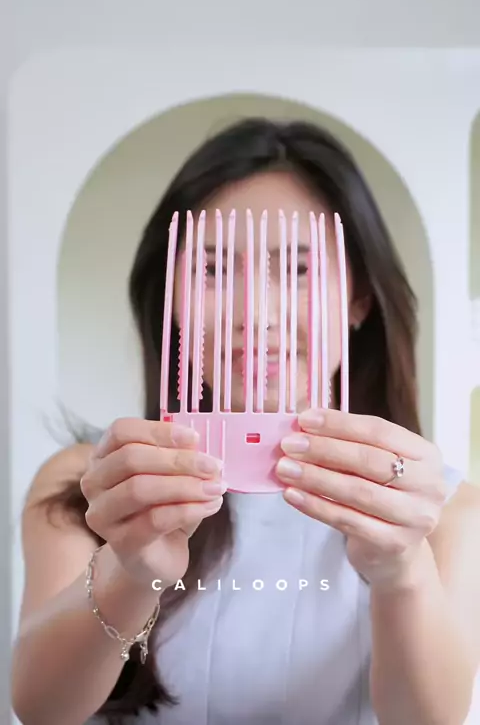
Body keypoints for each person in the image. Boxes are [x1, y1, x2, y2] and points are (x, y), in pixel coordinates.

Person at [11, 117, 480, 725]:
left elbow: (429, 720)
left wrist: (400, 570)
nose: (255, 313)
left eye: (300, 269)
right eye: (210, 270)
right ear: (170, 300)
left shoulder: (443, 510)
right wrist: (130, 572)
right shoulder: (93, 484)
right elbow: (41, 709)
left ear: (360, 298)